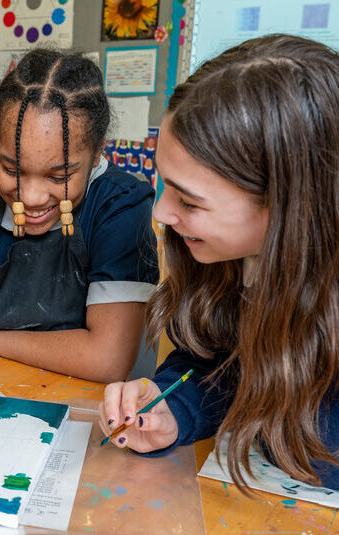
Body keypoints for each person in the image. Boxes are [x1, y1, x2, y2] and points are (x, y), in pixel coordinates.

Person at [99, 34, 339, 490]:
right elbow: (216, 359)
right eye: (165, 184)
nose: (161, 214)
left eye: (190, 201)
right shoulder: (229, 259)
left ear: (291, 208)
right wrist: (175, 406)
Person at [0, 49, 159, 389]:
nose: (31, 198)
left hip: (72, 395)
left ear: (96, 153)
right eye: (11, 169)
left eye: (58, 176)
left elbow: (107, 358)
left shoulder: (120, 204)